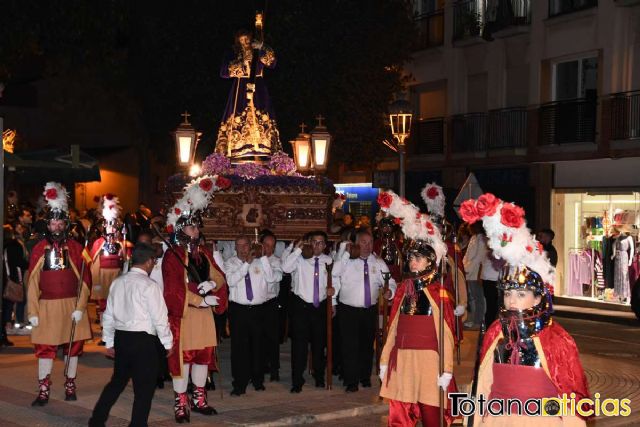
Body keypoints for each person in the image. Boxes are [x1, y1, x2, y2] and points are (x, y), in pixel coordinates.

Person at [460, 194, 591, 425]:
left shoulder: (556, 338)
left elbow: (572, 393)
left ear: (538, 297)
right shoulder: (495, 332)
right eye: (508, 294)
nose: (512, 301)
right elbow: (484, 384)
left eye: (521, 294)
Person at [377, 190, 459, 426]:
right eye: (411, 258)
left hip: (429, 362)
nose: (413, 262)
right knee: (399, 415)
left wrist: (446, 368)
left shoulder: (438, 292)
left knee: (432, 414)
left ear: (430, 262)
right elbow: (393, 327)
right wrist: (385, 360)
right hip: (402, 359)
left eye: (418, 259)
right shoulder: (403, 289)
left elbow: (446, 335)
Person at [162, 175, 229, 423]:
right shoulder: (173, 256)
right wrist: (201, 301)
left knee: (203, 357)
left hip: (204, 317)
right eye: (192, 227)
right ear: (181, 229)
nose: (196, 231)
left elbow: (219, 277)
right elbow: (173, 290)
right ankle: (181, 402)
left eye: (197, 227)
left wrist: (212, 284)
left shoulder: (203, 253)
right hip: (186, 314)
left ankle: (200, 398)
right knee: (185, 359)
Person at [89, 243, 173, 427]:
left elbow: (109, 315)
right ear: (150, 261)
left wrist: (109, 341)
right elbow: (160, 318)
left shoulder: (118, 282)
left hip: (122, 339)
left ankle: (96, 420)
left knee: (117, 382)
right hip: (143, 341)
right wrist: (167, 343)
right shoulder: (150, 286)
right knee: (144, 389)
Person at [27, 182, 92, 405]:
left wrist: (80, 308)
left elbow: (86, 280)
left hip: (70, 306)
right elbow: (32, 283)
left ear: (66, 224)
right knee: (45, 348)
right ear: (48, 224)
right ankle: (43, 388)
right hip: (47, 306)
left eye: (60, 222)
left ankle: (70, 383)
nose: (56, 226)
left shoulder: (75, 248)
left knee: (73, 347)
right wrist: (33, 311)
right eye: (53, 222)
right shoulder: (38, 249)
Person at [333, 230, 396, 392]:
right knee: (349, 345)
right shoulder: (346, 261)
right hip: (348, 310)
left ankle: (364, 376)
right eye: (363, 242)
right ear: (355, 243)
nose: (367, 246)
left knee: (367, 345)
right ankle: (351, 380)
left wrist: (390, 291)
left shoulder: (377, 262)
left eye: (370, 242)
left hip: (369, 310)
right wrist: (345, 254)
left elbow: (390, 281)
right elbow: (334, 273)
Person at [215, 26, 281, 160]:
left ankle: (264, 147)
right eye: (242, 40)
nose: (245, 43)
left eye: (247, 40)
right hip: (240, 89)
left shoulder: (258, 51)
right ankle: (237, 148)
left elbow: (272, 63)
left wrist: (262, 46)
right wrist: (242, 62)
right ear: (238, 42)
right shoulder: (233, 53)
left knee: (262, 114)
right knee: (238, 115)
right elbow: (223, 72)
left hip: (259, 88)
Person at [282, 230, 336, 393]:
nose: (317, 246)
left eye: (321, 243)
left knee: (319, 344)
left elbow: (335, 281)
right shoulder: (299, 259)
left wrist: (332, 300)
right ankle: (297, 380)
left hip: (319, 306)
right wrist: (297, 249)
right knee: (299, 345)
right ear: (309, 243)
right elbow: (285, 267)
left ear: (325, 245)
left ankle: (319, 376)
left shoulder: (329, 261)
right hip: (301, 306)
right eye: (314, 242)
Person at [222, 235, 276, 395]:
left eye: (245, 245)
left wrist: (263, 258)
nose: (243, 249)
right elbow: (231, 281)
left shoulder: (261, 261)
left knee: (258, 346)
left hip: (259, 310)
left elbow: (272, 278)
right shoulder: (230, 263)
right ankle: (239, 383)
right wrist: (246, 264)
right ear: (235, 247)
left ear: (250, 245)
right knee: (239, 348)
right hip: (239, 310)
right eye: (239, 246)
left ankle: (258, 380)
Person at [90, 194, 130, 325]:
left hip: (117, 276)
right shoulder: (98, 243)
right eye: (107, 226)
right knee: (103, 303)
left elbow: (126, 262)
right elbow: (92, 261)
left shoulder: (122, 243)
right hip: (102, 276)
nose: (111, 229)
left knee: (116, 302)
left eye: (113, 226)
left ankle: (115, 327)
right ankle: (103, 327)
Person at [260, 230, 284, 382]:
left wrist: (263, 259)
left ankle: (274, 369)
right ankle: (260, 366)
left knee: (272, 338)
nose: (269, 248)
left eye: (272, 246)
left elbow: (270, 278)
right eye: (266, 245)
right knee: (258, 338)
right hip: (257, 303)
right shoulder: (253, 260)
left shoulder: (276, 261)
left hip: (271, 303)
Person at [463, 222, 487, 328]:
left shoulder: (481, 239)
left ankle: (478, 321)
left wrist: (467, 269)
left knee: (478, 298)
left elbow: (478, 258)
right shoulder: (473, 238)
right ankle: (473, 319)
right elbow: (467, 254)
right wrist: (463, 266)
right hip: (469, 271)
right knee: (471, 297)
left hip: (475, 272)